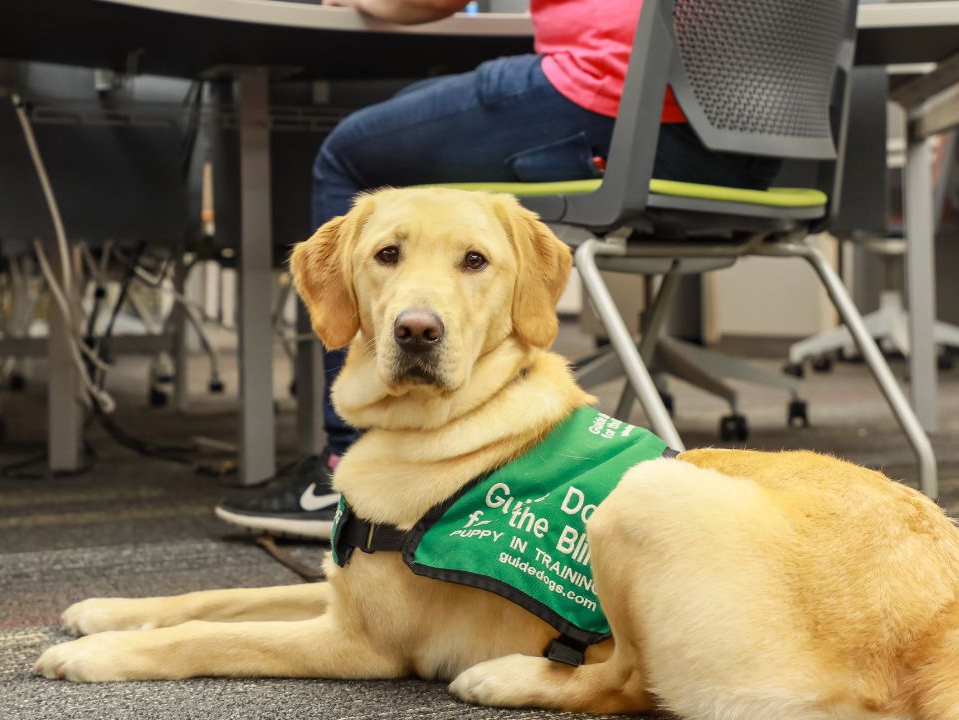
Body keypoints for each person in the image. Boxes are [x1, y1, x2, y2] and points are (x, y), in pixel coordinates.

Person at [215, 0, 779, 539]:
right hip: (761, 142)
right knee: (417, 103)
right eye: (388, 256)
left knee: (350, 150)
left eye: (473, 260)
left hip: (615, 100)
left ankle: (348, 459)